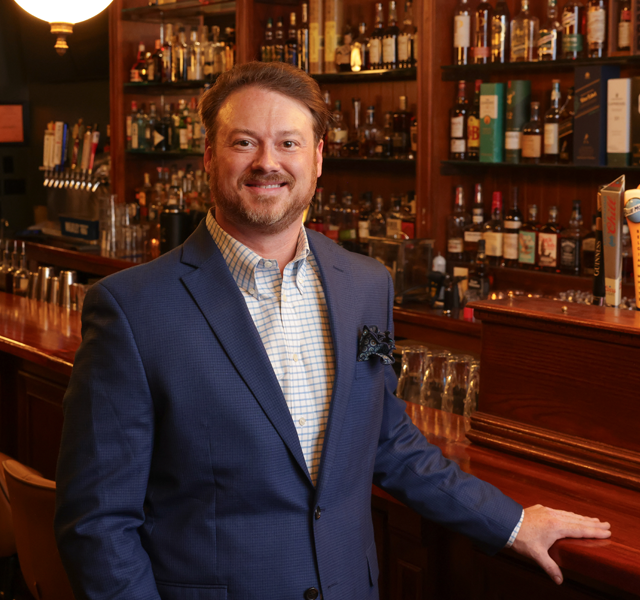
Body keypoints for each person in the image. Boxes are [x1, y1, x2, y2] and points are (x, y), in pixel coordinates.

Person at [54, 62, 610, 600]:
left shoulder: (366, 285)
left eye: (289, 143)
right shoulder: (132, 308)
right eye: (244, 142)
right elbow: (97, 523)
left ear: (318, 158)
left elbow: (387, 438)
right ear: (208, 155)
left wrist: (511, 523)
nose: (267, 162)